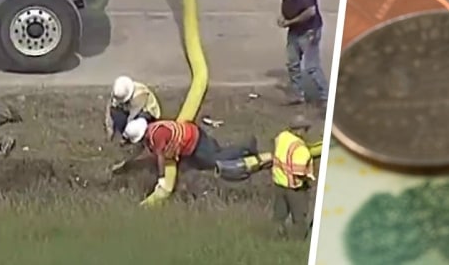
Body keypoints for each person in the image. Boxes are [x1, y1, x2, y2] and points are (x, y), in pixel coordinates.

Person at [112, 117, 257, 197]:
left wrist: (162, 179)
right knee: (201, 162)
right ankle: (215, 147)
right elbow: (141, 149)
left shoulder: (157, 136)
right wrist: (126, 164)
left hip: (195, 143)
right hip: (192, 137)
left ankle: (246, 148)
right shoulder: (151, 129)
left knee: (214, 161)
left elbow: (160, 157)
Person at [269, 0, 328, 107]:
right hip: (295, 31)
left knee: (312, 67)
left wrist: (290, 22)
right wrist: (284, 16)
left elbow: (310, 12)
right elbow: (288, 4)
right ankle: (297, 95)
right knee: (293, 63)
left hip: (309, 31)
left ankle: (326, 96)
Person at [272, 115, 317, 239]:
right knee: (299, 218)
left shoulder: (281, 137)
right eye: (306, 129)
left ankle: (277, 238)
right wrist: (309, 179)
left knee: (279, 216)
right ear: (301, 130)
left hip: (279, 184)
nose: (306, 132)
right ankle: (299, 240)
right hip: (295, 189)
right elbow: (299, 173)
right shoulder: (300, 148)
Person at [106, 75, 162, 141]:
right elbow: (110, 106)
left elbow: (132, 116)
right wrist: (109, 127)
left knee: (134, 126)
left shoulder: (139, 95)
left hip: (147, 111)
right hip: (130, 107)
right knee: (115, 112)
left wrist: (125, 134)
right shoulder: (118, 92)